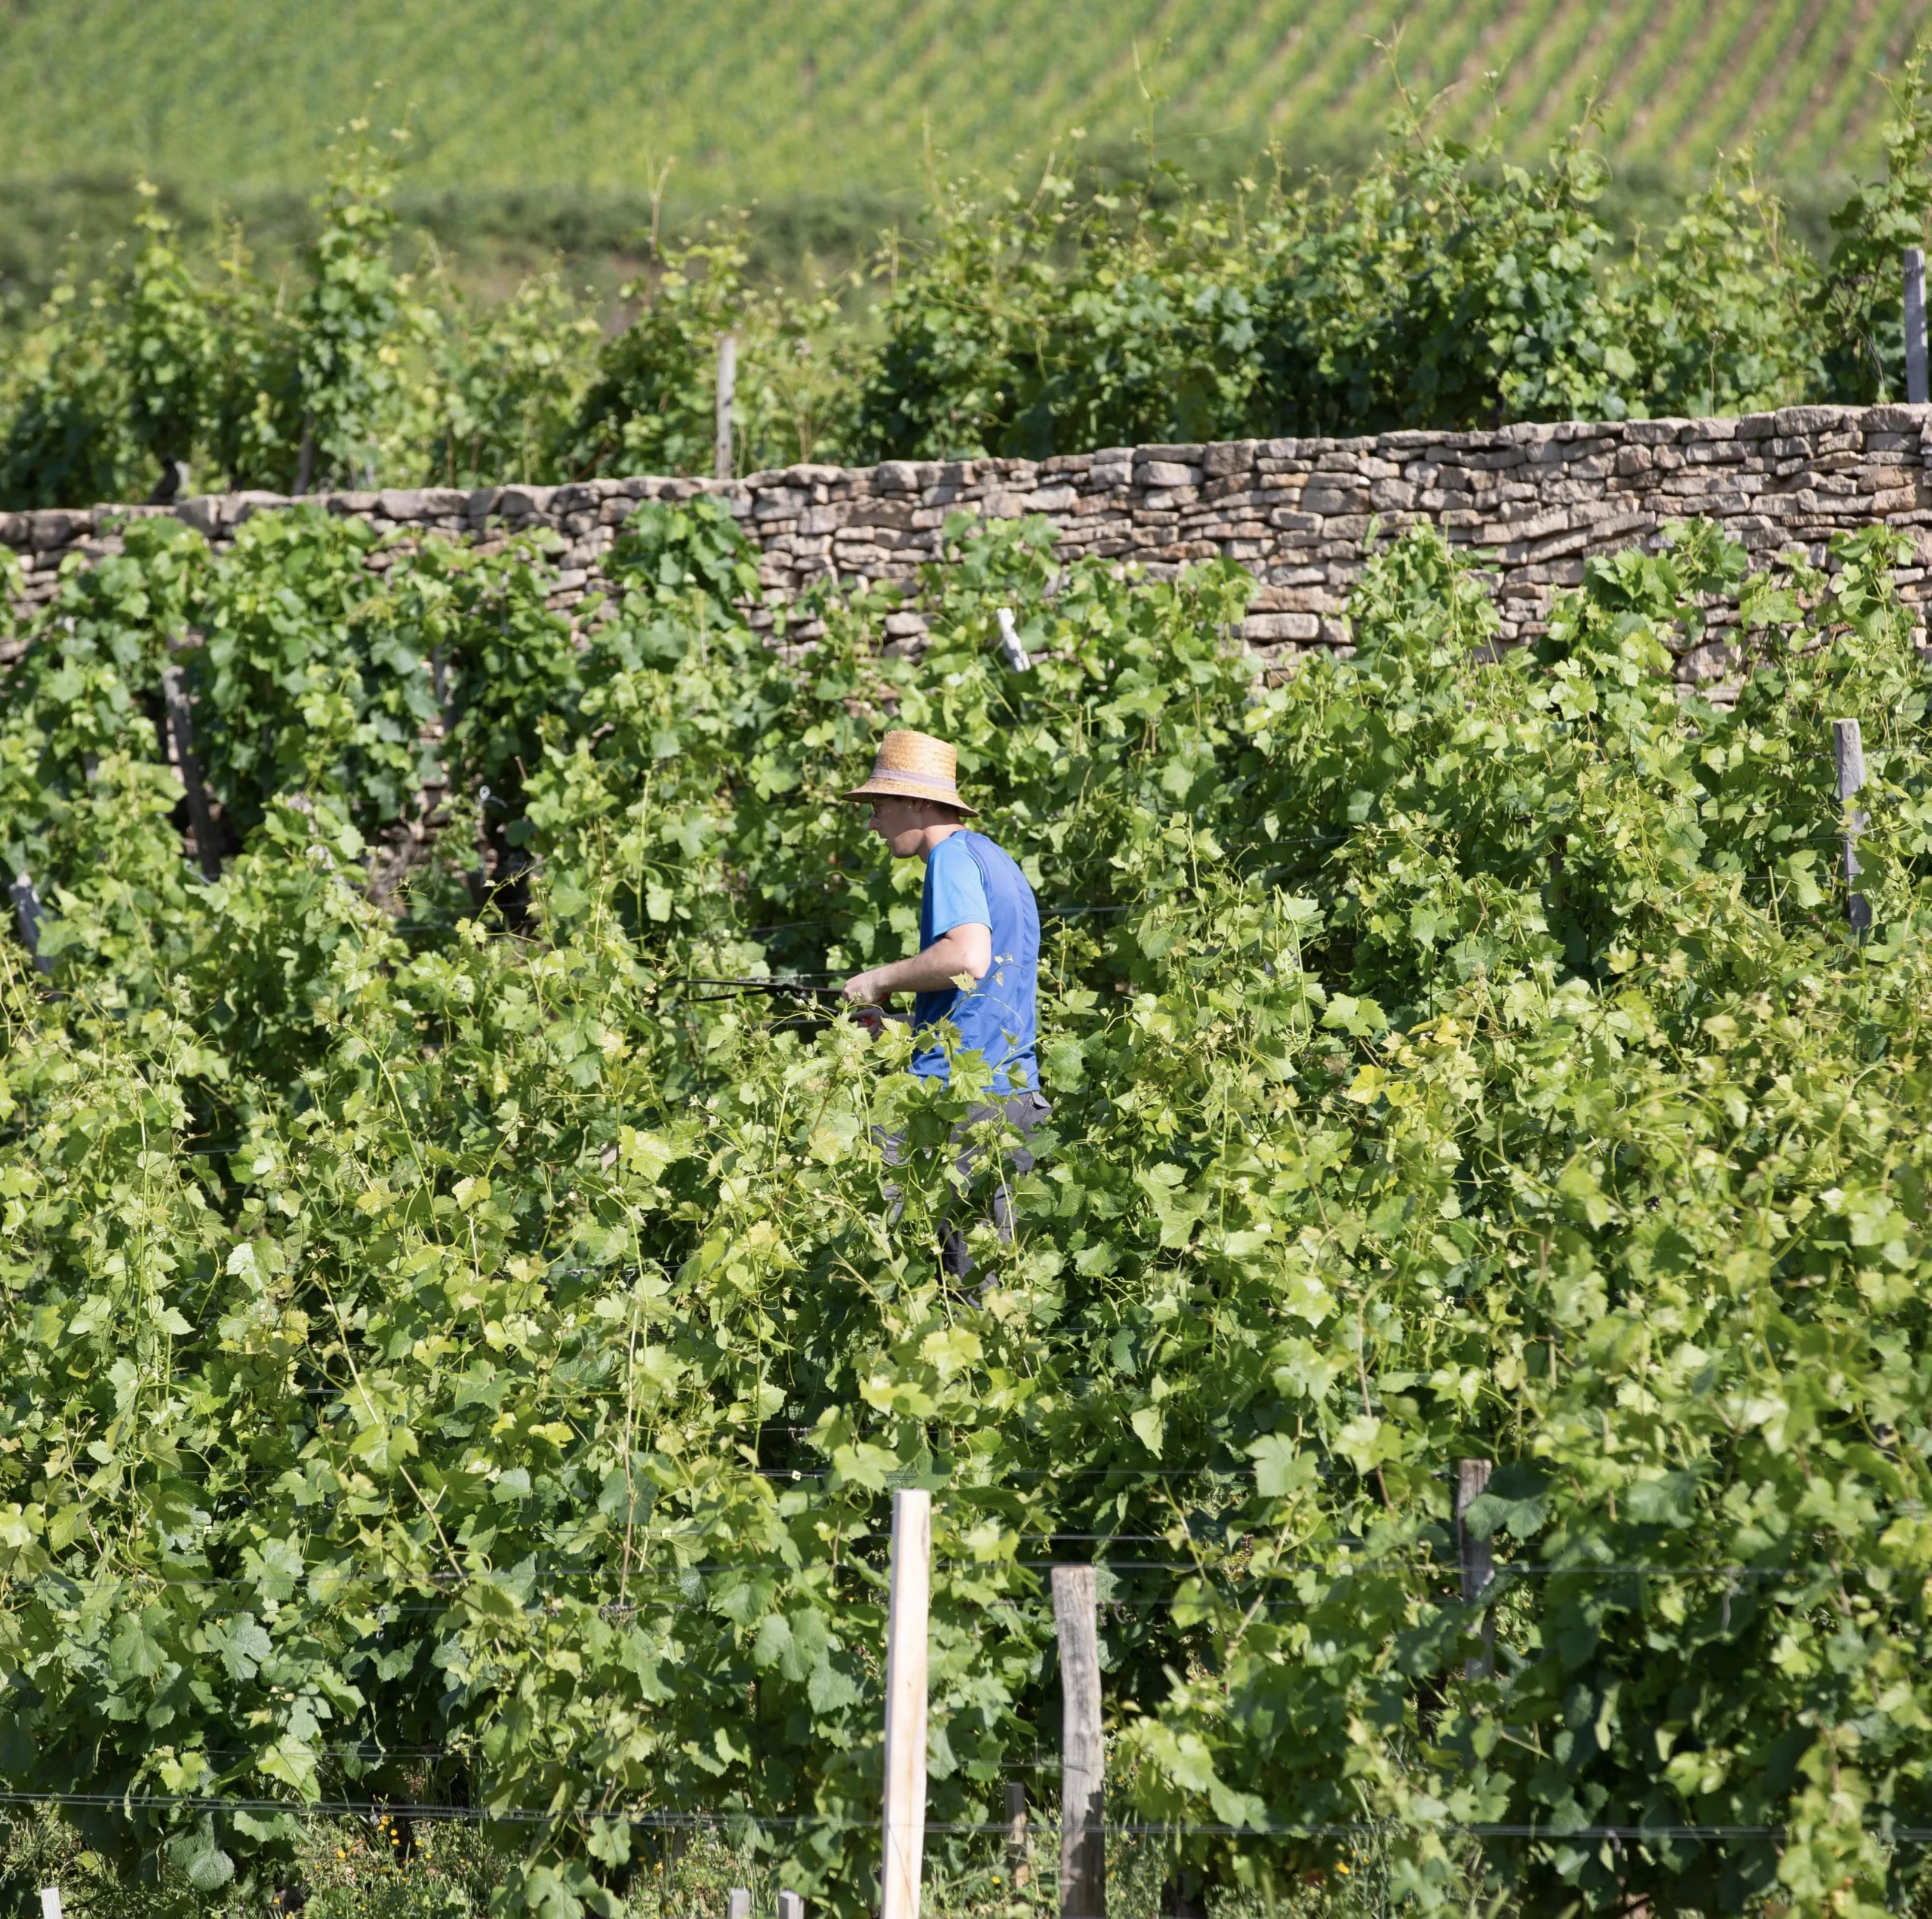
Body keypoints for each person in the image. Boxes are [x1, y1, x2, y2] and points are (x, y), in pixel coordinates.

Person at [840, 728, 1048, 1275]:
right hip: (1011, 1098)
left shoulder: (951, 858)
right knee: (989, 1295)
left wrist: (876, 979)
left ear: (916, 800)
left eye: (879, 803)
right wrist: (908, 1027)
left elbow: (967, 957)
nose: (873, 821)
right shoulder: (997, 861)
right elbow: (986, 999)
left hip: (957, 1109)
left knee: (880, 1268)